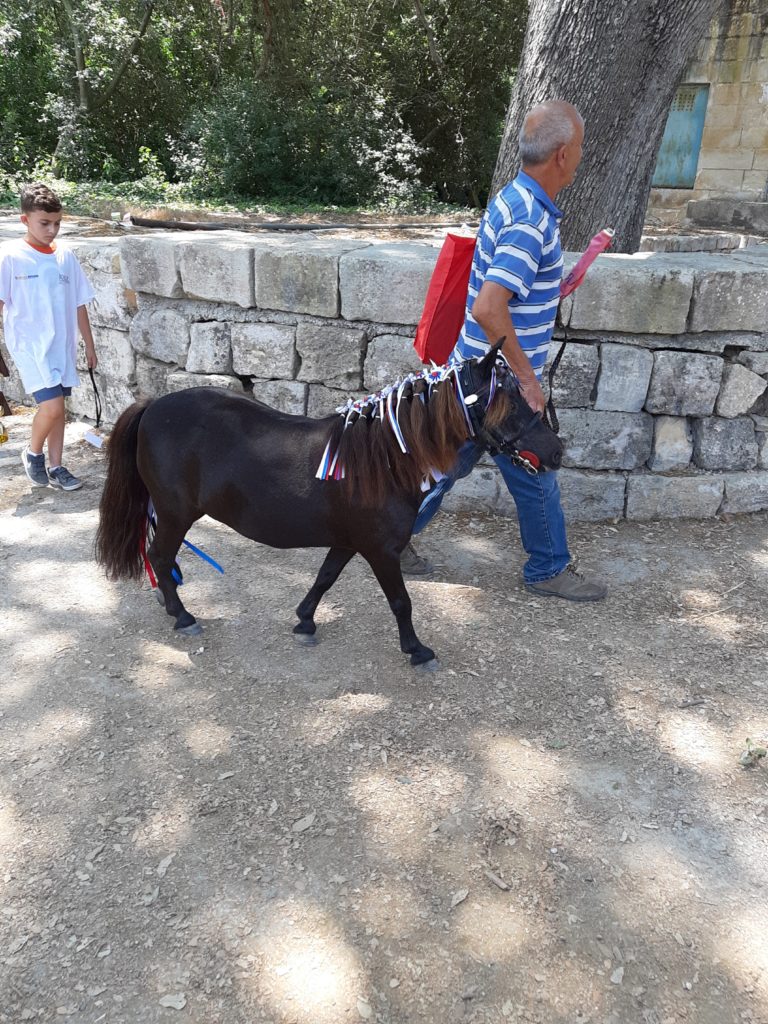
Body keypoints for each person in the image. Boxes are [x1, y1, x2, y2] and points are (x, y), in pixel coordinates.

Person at [402, 100, 606, 602]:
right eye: (579, 148)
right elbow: (490, 308)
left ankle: (389, 534)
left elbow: (506, 288)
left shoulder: (515, 199)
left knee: (447, 464)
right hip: (500, 382)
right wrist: (529, 382)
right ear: (561, 154)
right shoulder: (528, 221)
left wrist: (547, 289)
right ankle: (547, 569)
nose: (581, 157)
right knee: (534, 466)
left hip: (474, 373)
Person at [0, 183, 97, 491]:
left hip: (61, 346)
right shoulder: (10, 257)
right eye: (44, 223)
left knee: (60, 410)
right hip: (28, 345)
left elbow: (79, 303)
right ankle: (33, 453)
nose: (52, 230)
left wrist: (89, 345)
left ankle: (56, 467)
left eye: (57, 223)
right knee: (52, 407)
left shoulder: (65, 257)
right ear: (25, 220)